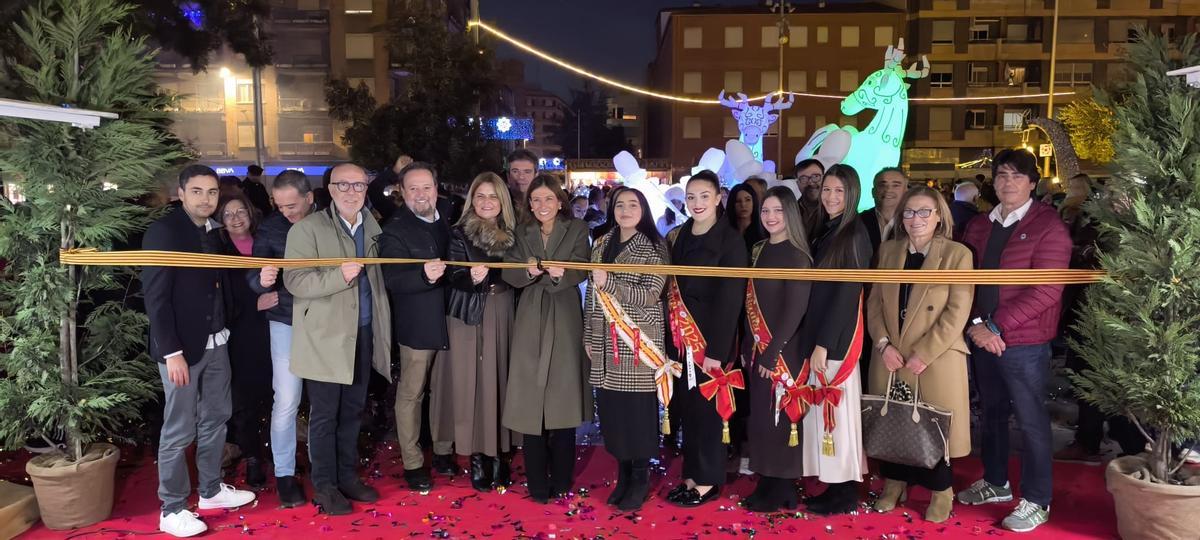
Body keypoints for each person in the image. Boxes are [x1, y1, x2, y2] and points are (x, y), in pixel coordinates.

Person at [958, 149, 1070, 533]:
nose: (1008, 182)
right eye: (1002, 175)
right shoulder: (978, 225)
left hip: (1023, 341)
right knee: (990, 414)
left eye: (1017, 175)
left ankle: (1038, 499)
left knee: (1031, 421)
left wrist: (997, 327)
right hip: (982, 336)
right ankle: (996, 481)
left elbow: (1047, 289)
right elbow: (965, 281)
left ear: (1033, 183)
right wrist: (977, 324)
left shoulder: (1048, 225)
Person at [143, 165, 255, 537]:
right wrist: (170, 351)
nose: (205, 199)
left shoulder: (214, 232)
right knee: (178, 428)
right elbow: (156, 298)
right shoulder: (164, 231)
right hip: (181, 348)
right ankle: (171, 508)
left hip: (217, 340)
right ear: (181, 192)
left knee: (217, 417)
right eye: (197, 191)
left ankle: (209, 491)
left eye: (211, 192)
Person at [283, 163, 393, 515]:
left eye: (358, 185)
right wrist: (338, 277)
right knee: (325, 415)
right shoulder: (307, 229)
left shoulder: (372, 225)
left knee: (353, 411)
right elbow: (295, 282)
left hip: (361, 332)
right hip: (326, 337)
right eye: (343, 185)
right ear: (329, 190)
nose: (351, 192)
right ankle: (325, 486)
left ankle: (347, 477)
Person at [867, 186, 975, 523]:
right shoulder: (888, 250)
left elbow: (957, 312)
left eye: (925, 211)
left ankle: (942, 491)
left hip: (936, 357)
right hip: (891, 355)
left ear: (940, 215)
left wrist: (923, 353)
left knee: (934, 427)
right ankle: (894, 483)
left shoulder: (958, 254)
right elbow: (873, 304)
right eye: (909, 212)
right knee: (892, 419)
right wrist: (883, 344)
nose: (916, 219)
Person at [501, 174, 592, 503]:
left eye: (548, 199)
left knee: (563, 398)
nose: (542, 206)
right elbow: (507, 270)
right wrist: (528, 271)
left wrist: (563, 273)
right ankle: (537, 481)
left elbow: (583, 266)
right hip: (529, 316)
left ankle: (563, 478)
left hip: (565, 313)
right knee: (530, 398)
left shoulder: (579, 230)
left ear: (560, 201)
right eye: (535, 200)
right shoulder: (520, 233)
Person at [429, 172, 518, 492]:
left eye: (493, 196)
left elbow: (521, 273)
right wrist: (472, 279)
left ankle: (500, 453)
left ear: (503, 201)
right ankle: (479, 455)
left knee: (501, 381)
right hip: (469, 315)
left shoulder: (515, 232)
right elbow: (451, 274)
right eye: (480, 196)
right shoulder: (458, 233)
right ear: (471, 200)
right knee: (473, 384)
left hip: (504, 311)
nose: (486, 202)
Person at [664, 170, 748, 508]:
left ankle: (708, 479)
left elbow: (731, 299)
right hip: (681, 338)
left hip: (710, 341)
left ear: (718, 198)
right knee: (688, 409)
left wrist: (717, 349)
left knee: (710, 412)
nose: (696, 203)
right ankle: (691, 474)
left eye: (703, 196)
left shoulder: (730, 240)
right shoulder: (682, 234)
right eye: (691, 197)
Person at [584, 187, 670, 512]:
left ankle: (640, 477)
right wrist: (589, 337)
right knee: (613, 413)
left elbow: (651, 295)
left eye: (633, 204)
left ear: (644, 209)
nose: (625, 210)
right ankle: (622, 474)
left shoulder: (655, 246)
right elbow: (593, 296)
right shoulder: (602, 243)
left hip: (637, 342)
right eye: (619, 204)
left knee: (637, 414)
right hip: (605, 341)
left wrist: (612, 284)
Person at [800, 163, 873, 516]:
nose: (830, 197)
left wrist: (824, 343)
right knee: (827, 415)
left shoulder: (854, 234)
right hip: (822, 336)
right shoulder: (828, 229)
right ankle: (834, 484)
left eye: (839, 191)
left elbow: (847, 294)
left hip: (836, 341)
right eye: (827, 190)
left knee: (837, 417)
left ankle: (844, 491)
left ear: (853, 194)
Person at [378, 162, 454, 490]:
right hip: (417, 324)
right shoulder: (395, 229)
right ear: (402, 192)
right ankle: (412, 462)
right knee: (412, 393)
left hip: (454, 320)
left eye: (426, 187)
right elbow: (392, 279)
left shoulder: (451, 218)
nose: (421, 195)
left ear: (437, 189)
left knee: (446, 390)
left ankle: (443, 450)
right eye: (413, 189)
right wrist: (423, 276)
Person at [741, 187, 813, 513]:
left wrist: (772, 353)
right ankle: (767, 480)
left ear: (790, 215)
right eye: (766, 211)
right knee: (761, 418)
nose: (770, 217)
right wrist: (748, 344)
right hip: (758, 346)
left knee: (781, 417)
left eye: (778, 211)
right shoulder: (758, 250)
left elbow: (794, 311)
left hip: (784, 349)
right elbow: (749, 301)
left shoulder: (798, 255)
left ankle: (782, 485)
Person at [247, 170, 316, 508]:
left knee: (322, 399)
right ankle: (286, 473)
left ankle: (322, 466)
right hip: (285, 320)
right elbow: (252, 277)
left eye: (292, 204)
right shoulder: (271, 228)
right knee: (287, 399)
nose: (286, 211)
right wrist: (261, 281)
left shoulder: (325, 223)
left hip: (323, 321)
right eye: (280, 205)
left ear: (310, 197)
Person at [215, 193, 272, 490]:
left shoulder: (266, 241)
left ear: (251, 213)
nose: (236, 218)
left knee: (276, 394)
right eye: (228, 214)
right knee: (245, 398)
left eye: (241, 211)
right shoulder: (219, 249)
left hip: (273, 327)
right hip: (240, 332)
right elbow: (222, 297)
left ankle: (275, 450)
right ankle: (253, 457)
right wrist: (255, 304)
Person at [859, 167, 907, 257]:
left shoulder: (914, 223)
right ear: (873, 192)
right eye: (882, 185)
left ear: (906, 192)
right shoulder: (857, 221)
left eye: (895, 185)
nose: (888, 190)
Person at [727, 183, 766, 254]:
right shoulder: (726, 233)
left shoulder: (763, 234)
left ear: (754, 202)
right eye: (738, 201)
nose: (743, 205)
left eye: (748, 200)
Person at [506, 149, 539, 223]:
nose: (521, 176)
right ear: (508, 176)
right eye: (515, 171)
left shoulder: (546, 204)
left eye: (527, 172)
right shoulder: (498, 204)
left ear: (536, 176)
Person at [794, 159, 825, 234]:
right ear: (797, 183)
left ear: (824, 179)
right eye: (803, 178)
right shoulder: (791, 210)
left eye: (816, 176)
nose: (811, 182)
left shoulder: (834, 210)